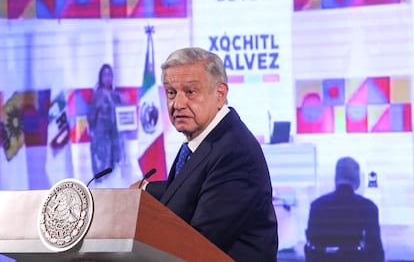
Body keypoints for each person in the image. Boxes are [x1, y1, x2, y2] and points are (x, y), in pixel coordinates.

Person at [131, 47, 278, 261]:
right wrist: (145, 189)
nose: (177, 104)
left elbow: (199, 243)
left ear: (220, 94)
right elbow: (193, 187)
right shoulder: (205, 139)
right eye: (171, 92)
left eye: (190, 92)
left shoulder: (235, 153)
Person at [305, 156, 384, 262]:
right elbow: (375, 250)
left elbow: (311, 247)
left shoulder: (317, 206)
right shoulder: (369, 207)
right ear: (357, 179)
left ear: (336, 177)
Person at [87, 63, 124, 177]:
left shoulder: (116, 96)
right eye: (105, 75)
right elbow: (91, 118)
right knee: (102, 174)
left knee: (115, 173)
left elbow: (122, 117)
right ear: (101, 77)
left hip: (116, 139)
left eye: (110, 74)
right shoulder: (97, 95)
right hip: (101, 139)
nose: (107, 77)